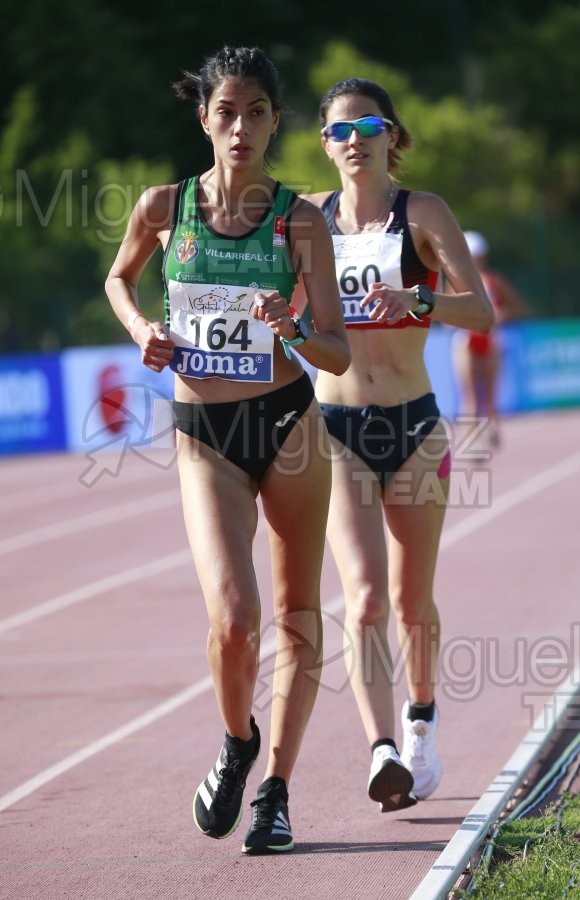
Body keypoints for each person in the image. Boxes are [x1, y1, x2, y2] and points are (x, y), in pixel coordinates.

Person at [105, 46, 350, 855]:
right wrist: (142, 330)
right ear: (204, 118)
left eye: (255, 112)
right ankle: (236, 739)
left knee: (297, 618)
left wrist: (297, 330)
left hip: (287, 421)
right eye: (225, 112)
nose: (239, 126)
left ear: (276, 121)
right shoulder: (162, 207)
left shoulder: (299, 218)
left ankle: (276, 790)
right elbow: (119, 280)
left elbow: (339, 352)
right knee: (235, 623)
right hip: (204, 434)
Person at [300, 77, 494, 812]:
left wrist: (420, 299)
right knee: (366, 599)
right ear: (324, 144)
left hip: (414, 425)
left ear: (392, 136)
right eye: (340, 131)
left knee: (413, 603)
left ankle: (421, 724)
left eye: (368, 126)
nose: (355, 140)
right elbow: (291, 320)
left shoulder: (425, 213)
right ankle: (381, 747)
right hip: (336, 429)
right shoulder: (307, 221)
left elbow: (479, 313)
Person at [452, 230, 529, 449]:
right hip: (466, 339)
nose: (475, 260)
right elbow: (446, 313)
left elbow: (517, 306)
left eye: (477, 256)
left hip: (491, 339)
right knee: (469, 394)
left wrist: (500, 316)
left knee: (491, 393)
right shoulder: (457, 282)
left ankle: (493, 430)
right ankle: (472, 441)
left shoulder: (495, 280)